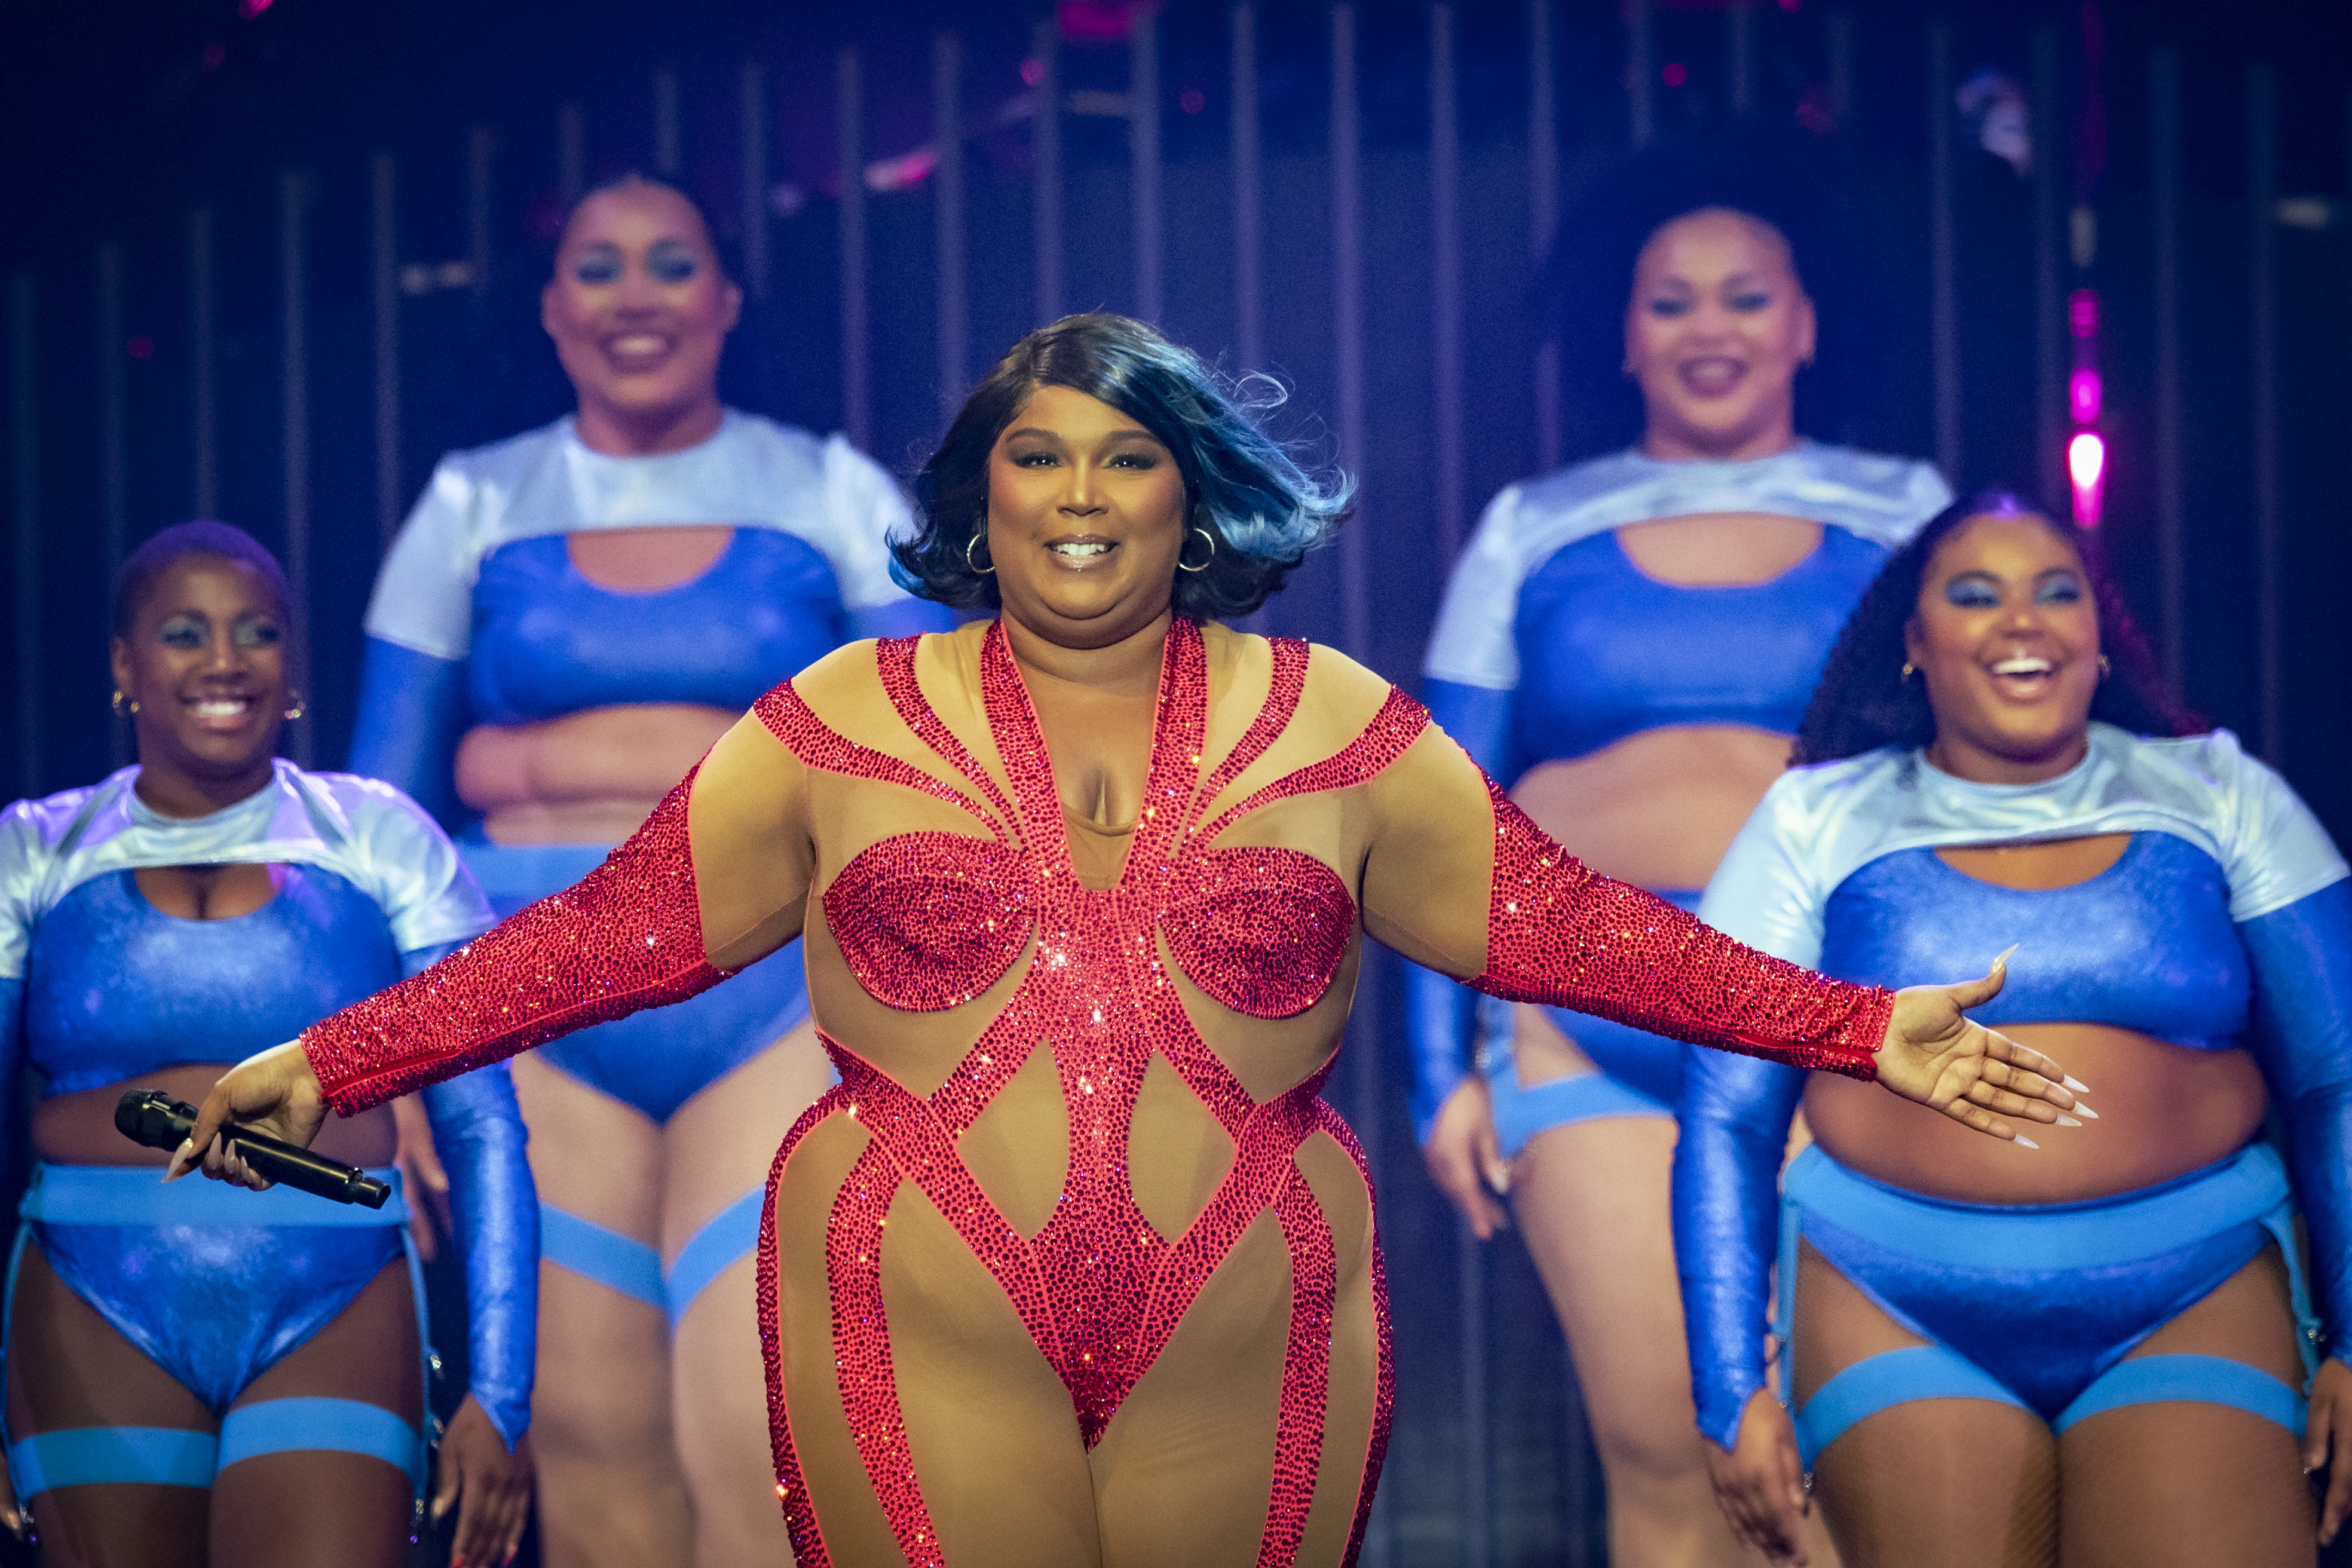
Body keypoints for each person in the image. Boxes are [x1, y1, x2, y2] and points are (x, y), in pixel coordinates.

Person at [184, 317, 2080, 1568]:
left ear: (1194, 493)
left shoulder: (1342, 723)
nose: (1079, 495)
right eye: (1036, 458)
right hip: (920, 1295)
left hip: (1250, 1299)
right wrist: (339, 1061)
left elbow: (1573, 933)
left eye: (1124, 459)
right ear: (976, 495)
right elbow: (590, 945)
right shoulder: (833, 722)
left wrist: (1849, 1024)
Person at [348, 174, 953, 1565]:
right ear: (554, 308)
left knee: (757, 1441)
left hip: (771, 999)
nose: (636, 297)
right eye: (600, 267)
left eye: (671, 265)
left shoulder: (827, 487)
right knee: (595, 1457)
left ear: (727, 299)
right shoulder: (472, 501)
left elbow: (936, 770)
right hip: (537, 1017)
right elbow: (382, 819)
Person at [1408, 141, 1947, 1564]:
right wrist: (1435, 1070)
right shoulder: (1530, 528)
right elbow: (1441, 802)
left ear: (1805, 324)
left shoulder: (1904, 508)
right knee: (1664, 1454)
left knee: (1841, 1450)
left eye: (1746, 296)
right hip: (1587, 1021)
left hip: (1839, 1010)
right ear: (1627, 337)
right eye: (1672, 301)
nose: (1710, 327)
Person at [1677, 495, 2352, 1567]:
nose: (2022, 620)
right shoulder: (1814, 818)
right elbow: (1726, 1115)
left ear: (2099, 633)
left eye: (2056, 591)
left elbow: (2336, 1082)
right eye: (1976, 595)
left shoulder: (2219, 792)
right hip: (1887, 1290)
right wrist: (1728, 1390)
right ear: (1914, 644)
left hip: (2197, 1282)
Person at [0, 522, 534, 1568]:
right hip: (86, 1299)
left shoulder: (379, 837)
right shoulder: (34, 848)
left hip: (333, 1299)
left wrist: (502, 1397)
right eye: (184, 633)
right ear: (123, 665)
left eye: (257, 632)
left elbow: (483, 1127)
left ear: (291, 669)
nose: (224, 661)